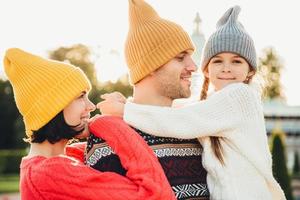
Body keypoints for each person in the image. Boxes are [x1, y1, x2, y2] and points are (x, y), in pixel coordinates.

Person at [98, 6, 286, 200]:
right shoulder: (213, 106)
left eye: (237, 61)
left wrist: (126, 110)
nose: (226, 68)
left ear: (250, 71)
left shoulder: (240, 96)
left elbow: (183, 119)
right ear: (207, 69)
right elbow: (184, 112)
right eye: (217, 61)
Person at [3, 48, 175, 200]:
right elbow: (156, 196)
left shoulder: (68, 158)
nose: (91, 106)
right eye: (80, 96)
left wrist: (127, 115)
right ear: (52, 108)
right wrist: (107, 124)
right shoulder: (48, 174)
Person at [85, 0, 210, 199]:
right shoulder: (109, 137)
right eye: (180, 57)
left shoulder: (196, 130)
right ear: (151, 64)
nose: (193, 66)